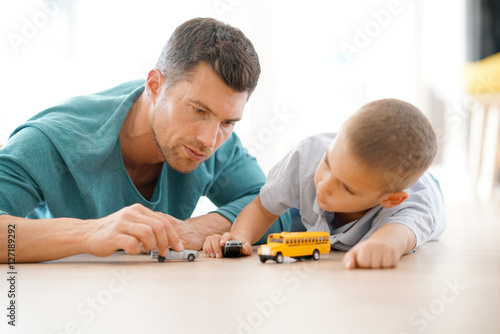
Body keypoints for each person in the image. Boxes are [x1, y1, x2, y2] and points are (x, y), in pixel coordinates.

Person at [0, 18, 290, 263]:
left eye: (228, 122)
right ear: (154, 86)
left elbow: (276, 206)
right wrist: (89, 233)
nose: (209, 141)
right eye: (199, 110)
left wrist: (195, 230)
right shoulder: (51, 140)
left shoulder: (212, 139)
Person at [203, 99, 447, 269]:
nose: (326, 185)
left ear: (390, 199)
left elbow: (398, 236)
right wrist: (239, 237)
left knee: (309, 215)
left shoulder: (411, 204)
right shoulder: (309, 156)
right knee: (297, 214)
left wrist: (381, 246)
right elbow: (262, 207)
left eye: (347, 187)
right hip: (319, 210)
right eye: (328, 162)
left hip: (423, 193)